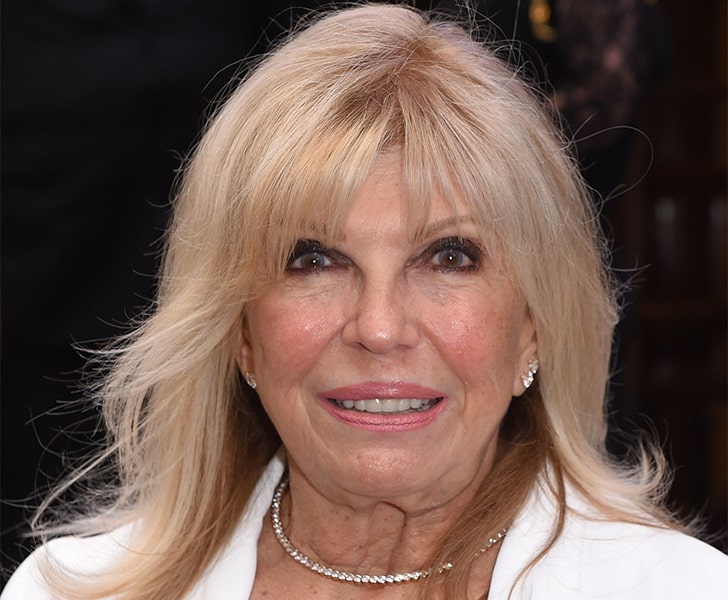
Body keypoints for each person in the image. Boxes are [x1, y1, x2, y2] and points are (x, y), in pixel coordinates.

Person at [3, 4, 726, 599]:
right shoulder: (67, 591)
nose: (379, 328)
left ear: (535, 326)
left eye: (449, 257)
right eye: (315, 260)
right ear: (240, 333)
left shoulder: (678, 588)